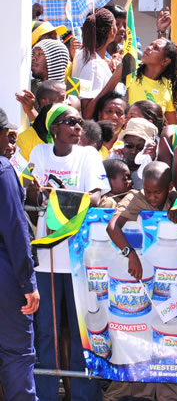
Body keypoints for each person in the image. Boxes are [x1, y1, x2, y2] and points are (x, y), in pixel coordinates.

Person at [27, 104, 109, 401]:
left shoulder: (88, 155)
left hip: (79, 259)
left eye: (79, 121)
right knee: (45, 332)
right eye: (70, 122)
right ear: (54, 128)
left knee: (81, 334)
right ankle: (46, 395)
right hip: (46, 260)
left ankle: (84, 396)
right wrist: (37, 192)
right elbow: (32, 192)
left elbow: (97, 196)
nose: (78, 127)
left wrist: (59, 197)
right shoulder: (40, 153)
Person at [104, 161, 177, 401]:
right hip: (142, 283)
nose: (152, 197)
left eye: (158, 192)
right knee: (141, 341)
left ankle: (167, 395)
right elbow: (112, 227)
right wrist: (131, 254)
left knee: (167, 341)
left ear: (170, 187)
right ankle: (139, 394)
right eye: (148, 191)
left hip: (169, 286)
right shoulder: (135, 199)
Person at [0, 107, 39, 401]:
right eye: (9, 134)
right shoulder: (3, 169)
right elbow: (15, 229)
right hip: (5, 271)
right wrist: (28, 283)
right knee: (17, 353)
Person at [125, 38, 177, 124]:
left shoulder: (168, 86)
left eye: (155, 48)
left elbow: (172, 124)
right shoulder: (130, 74)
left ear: (165, 61)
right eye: (150, 44)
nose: (148, 48)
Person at [73, 8, 116, 115]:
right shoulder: (94, 65)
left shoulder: (82, 54)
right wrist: (115, 79)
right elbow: (87, 113)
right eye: (116, 24)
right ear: (111, 31)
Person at [110, 118, 159, 190]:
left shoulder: (157, 166)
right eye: (129, 146)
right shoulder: (116, 156)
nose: (133, 151)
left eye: (140, 147)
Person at [93, 91, 128, 158]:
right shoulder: (88, 141)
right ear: (99, 115)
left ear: (125, 119)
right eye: (109, 111)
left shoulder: (128, 145)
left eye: (119, 113)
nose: (114, 116)